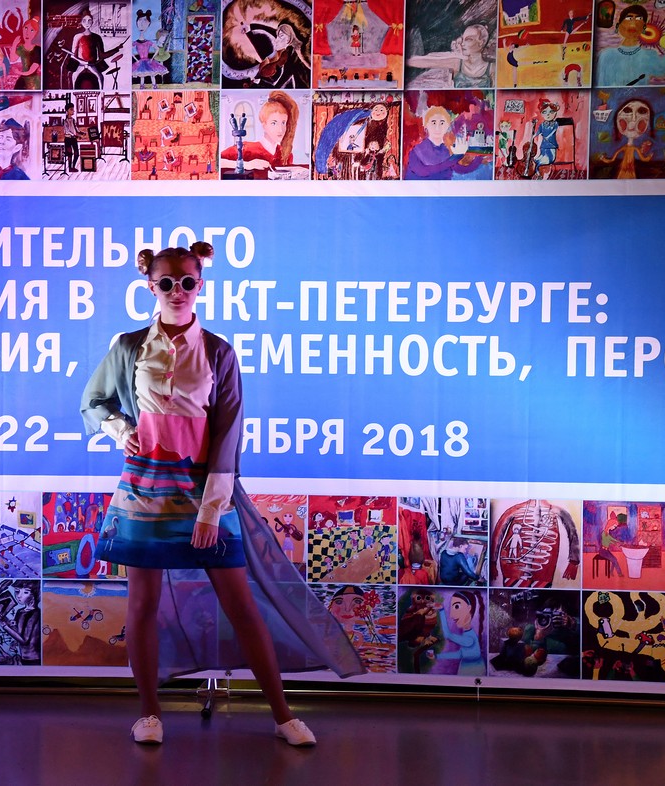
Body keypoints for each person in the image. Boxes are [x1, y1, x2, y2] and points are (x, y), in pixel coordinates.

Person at [81, 243, 362, 747]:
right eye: (167, 282)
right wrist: (120, 429)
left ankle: (283, 715)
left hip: (204, 488)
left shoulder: (218, 351)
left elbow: (229, 433)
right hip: (144, 488)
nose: (178, 291)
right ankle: (149, 715)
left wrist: (212, 510)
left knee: (242, 605)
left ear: (201, 285)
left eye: (187, 282)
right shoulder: (128, 346)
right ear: (150, 285)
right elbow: (93, 401)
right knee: (141, 605)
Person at [595, 5, 665, 86]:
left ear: (644, 28)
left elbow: (664, 67)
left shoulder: (649, 55)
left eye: (639, 18)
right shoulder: (606, 55)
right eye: (629, 18)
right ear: (618, 26)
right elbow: (600, 84)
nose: (633, 23)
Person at [219, 91, 298, 178]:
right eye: (274, 123)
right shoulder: (246, 149)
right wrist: (247, 165)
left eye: (283, 123)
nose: (280, 129)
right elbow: (217, 161)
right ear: (264, 125)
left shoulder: (286, 154)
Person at [404, 105, 483, 180]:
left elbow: (459, 169)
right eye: (433, 123)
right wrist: (456, 156)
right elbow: (423, 171)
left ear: (447, 126)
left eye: (442, 123)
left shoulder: (446, 149)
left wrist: (480, 157)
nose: (437, 128)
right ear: (426, 125)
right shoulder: (417, 150)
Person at [406, 24, 493, 88]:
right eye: (462, 39)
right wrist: (402, 60)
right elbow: (427, 61)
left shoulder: (492, 68)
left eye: (468, 39)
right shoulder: (457, 63)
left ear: (481, 43)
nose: (462, 43)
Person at [598, 97, 654, 179]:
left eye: (642, 111)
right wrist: (604, 159)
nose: (633, 119)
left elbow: (643, 159)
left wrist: (649, 157)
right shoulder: (626, 148)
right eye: (627, 111)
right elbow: (612, 159)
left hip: (630, 172)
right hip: (623, 171)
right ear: (617, 119)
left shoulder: (633, 148)